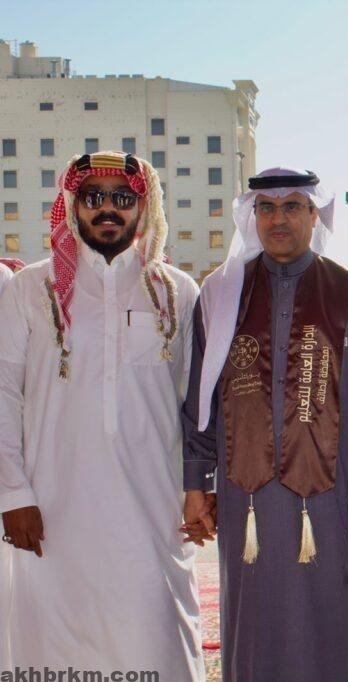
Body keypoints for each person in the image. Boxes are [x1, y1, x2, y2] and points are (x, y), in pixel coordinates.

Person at [181, 168, 348, 682]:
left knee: (336, 608)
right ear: (252, 216)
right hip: (244, 495)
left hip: (333, 494)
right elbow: (200, 397)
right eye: (267, 208)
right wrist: (196, 483)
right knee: (253, 617)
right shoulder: (221, 292)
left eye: (293, 206)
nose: (279, 219)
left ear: (314, 215)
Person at [0, 151, 203, 678]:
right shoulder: (30, 289)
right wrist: (13, 494)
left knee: (155, 639)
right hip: (52, 509)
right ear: (72, 204)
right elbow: (4, 395)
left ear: (144, 207)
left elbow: (197, 405)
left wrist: (201, 488)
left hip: (153, 510)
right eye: (93, 197)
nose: (107, 209)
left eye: (122, 198)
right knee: (55, 648)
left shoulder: (176, 292)